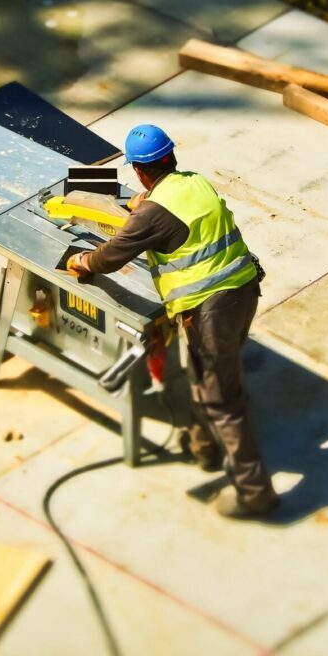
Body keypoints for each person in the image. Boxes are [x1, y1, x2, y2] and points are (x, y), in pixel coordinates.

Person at [67, 124, 279, 519]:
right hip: (244, 291)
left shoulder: (151, 214)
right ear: (171, 158)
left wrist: (82, 261)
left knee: (222, 399)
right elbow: (172, 212)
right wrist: (146, 205)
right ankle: (205, 448)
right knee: (206, 374)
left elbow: (110, 257)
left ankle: (255, 491)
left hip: (209, 310)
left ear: (139, 171)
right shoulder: (193, 183)